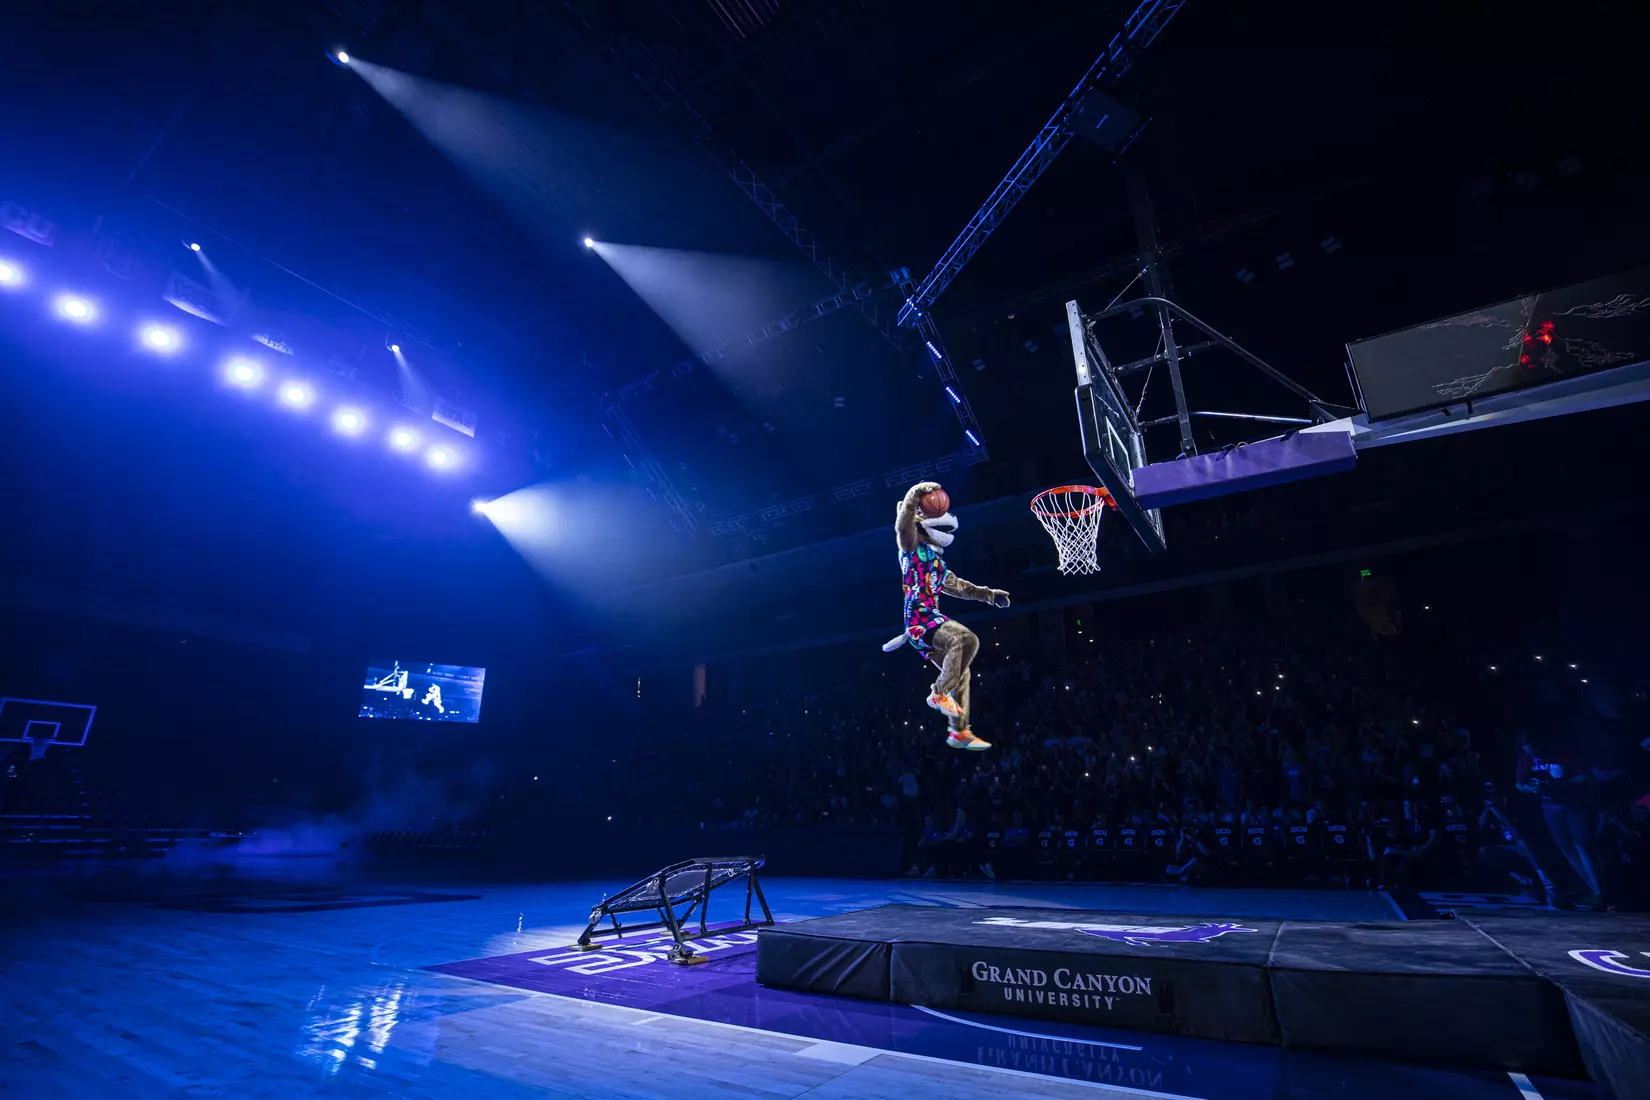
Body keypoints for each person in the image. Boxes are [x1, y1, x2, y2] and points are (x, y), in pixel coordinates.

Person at [883, 481, 1009, 751]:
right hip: (921, 622)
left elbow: (962, 588)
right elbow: (901, 525)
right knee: (966, 639)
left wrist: (990, 595)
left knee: (962, 671)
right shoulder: (909, 549)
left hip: (929, 624)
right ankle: (938, 694)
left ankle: (958, 732)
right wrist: (915, 494)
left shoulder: (937, 564)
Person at [1516, 739, 1604, 906]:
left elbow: (1585, 776)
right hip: (1549, 807)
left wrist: (1561, 783)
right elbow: (1519, 785)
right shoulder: (1525, 758)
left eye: (1535, 749)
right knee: (1567, 849)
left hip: (1574, 805)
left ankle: (1600, 891)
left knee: (1583, 846)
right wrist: (1533, 788)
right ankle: (1593, 890)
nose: (1533, 753)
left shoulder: (1564, 753)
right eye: (1528, 749)